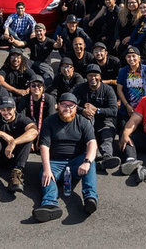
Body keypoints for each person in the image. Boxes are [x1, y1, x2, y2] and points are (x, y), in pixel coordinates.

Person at [32, 93, 99, 223]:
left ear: (76, 108)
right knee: (45, 174)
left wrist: (86, 162)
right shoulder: (49, 121)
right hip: (55, 162)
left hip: (76, 162)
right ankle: (50, 204)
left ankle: (90, 199)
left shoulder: (83, 122)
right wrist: (47, 169)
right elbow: (44, 146)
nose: (67, 108)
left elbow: (92, 143)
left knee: (91, 162)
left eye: (71, 106)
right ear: (58, 106)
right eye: (64, 105)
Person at [72, 64, 120, 170]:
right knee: (87, 134)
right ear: (86, 77)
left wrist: (97, 110)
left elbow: (114, 110)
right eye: (90, 75)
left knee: (107, 136)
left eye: (95, 75)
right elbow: (72, 104)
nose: (93, 78)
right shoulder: (80, 88)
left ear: (100, 76)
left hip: (105, 121)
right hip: (86, 119)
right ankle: (95, 157)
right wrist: (83, 110)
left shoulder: (108, 89)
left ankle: (107, 157)